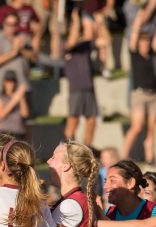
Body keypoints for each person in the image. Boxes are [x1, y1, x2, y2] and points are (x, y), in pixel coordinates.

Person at [121, 5, 156, 164]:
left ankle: (150, 158)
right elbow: (133, 33)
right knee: (137, 126)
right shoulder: (135, 55)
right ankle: (124, 155)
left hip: (153, 94)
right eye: (143, 41)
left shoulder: (151, 54)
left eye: (147, 40)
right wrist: (139, 17)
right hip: (139, 94)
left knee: (152, 129)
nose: (146, 43)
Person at [63, 7, 98, 146]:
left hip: (89, 87)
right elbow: (71, 41)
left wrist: (98, 22)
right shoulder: (65, 45)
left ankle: (87, 151)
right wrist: (76, 20)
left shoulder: (85, 45)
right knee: (73, 121)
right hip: (76, 88)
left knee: (92, 120)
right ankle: (69, 149)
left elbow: (104, 40)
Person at [0, 11, 37, 96]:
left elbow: (34, 58)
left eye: (14, 24)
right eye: (8, 24)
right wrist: (14, 52)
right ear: (3, 24)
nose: (11, 27)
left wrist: (21, 49)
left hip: (22, 87)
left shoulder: (24, 38)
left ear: (18, 25)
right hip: (3, 89)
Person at [0, 70, 29, 141]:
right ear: (4, 82)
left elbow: (25, 114)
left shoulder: (19, 96)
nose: (10, 84)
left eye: (12, 81)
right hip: (5, 133)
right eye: (7, 81)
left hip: (19, 133)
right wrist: (15, 99)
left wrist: (21, 97)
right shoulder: (0, 97)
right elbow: (1, 115)